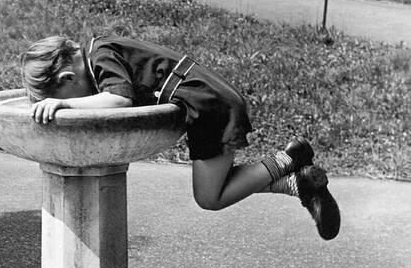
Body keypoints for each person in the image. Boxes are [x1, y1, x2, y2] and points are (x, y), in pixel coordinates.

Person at [20, 34, 340, 240]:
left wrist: (65, 104)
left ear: (67, 77)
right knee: (219, 187)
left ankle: (289, 158)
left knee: (210, 197)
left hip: (207, 106)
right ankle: (297, 182)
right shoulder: (97, 47)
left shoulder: (99, 57)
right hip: (206, 99)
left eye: (62, 92)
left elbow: (119, 100)